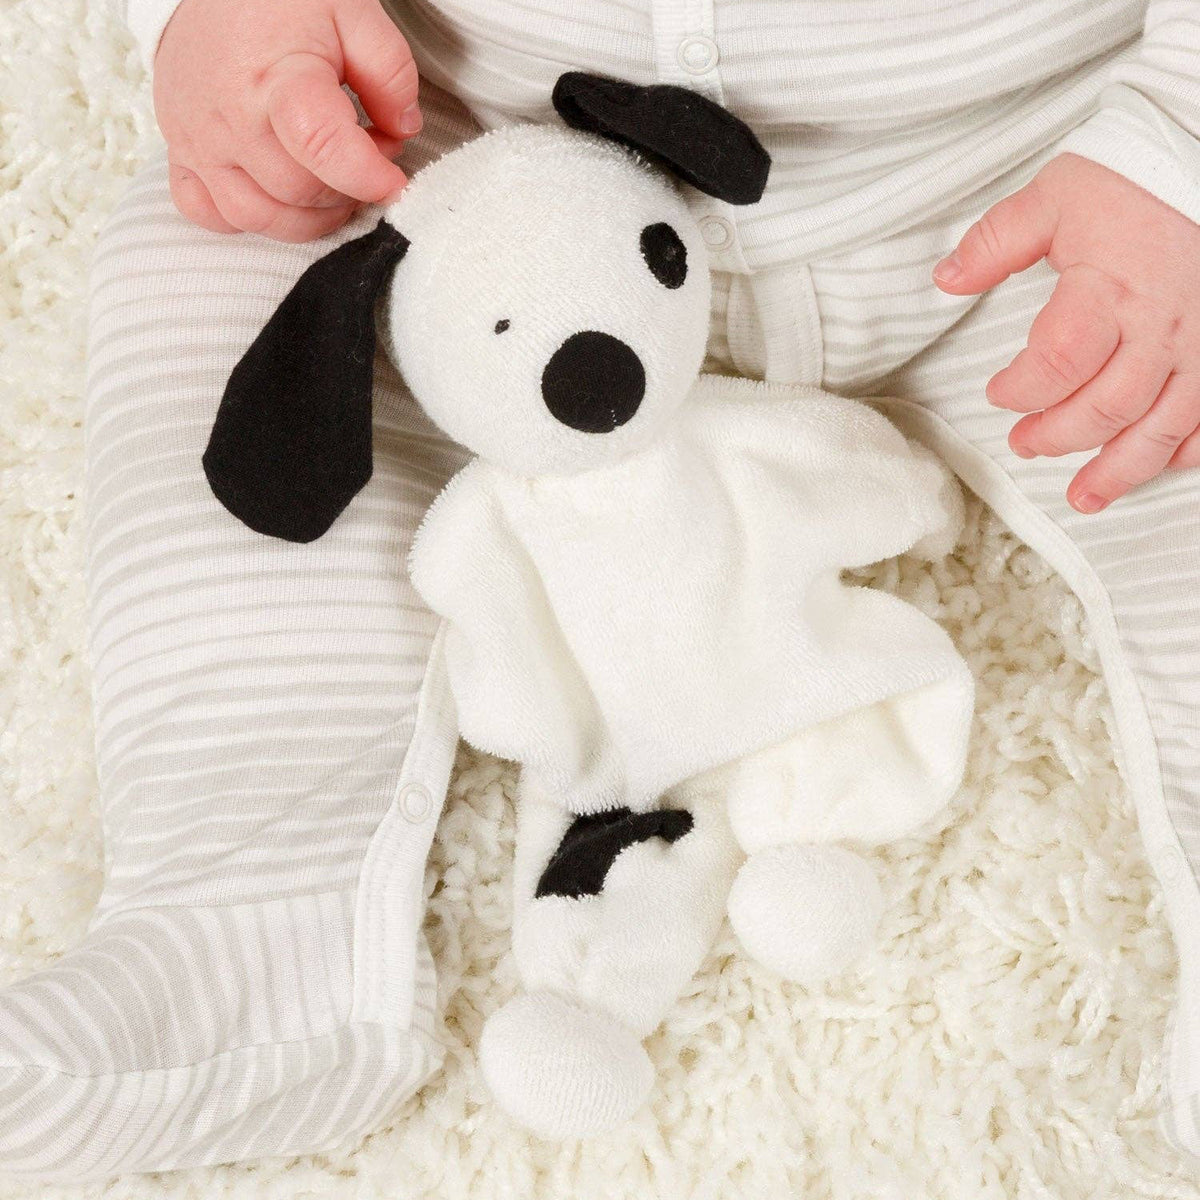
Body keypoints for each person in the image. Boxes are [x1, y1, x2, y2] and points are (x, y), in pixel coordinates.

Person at [2, 0, 1199, 1179]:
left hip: (1037, 189)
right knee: (212, 313)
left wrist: (1174, 149)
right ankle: (249, 941)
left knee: (1172, 461)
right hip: (462, 193)